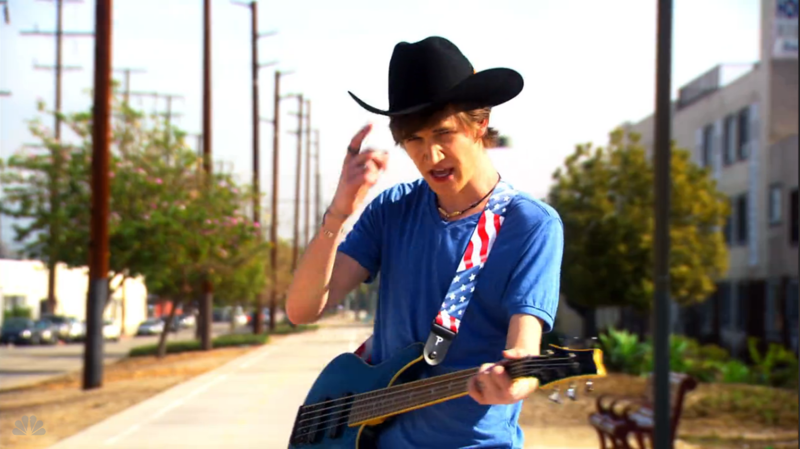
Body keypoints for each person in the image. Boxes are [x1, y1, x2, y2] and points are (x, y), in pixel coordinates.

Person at [285, 36, 564, 449]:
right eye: (413, 139)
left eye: (443, 133)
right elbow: (303, 309)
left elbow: (524, 349)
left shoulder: (530, 225)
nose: (430, 155)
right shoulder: (392, 209)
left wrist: (513, 383)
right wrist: (339, 213)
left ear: (480, 123)